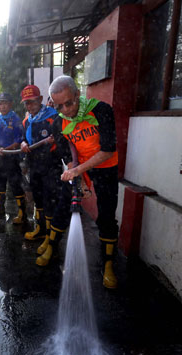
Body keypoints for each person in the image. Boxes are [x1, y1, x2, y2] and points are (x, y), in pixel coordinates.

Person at [49, 75, 120, 288]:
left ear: (78, 94)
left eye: (69, 103)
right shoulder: (58, 123)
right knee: (63, 204)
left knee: (107, 214)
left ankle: (108, 265)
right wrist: (79, 181)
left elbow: (108, 150)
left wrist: (79, 169)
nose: (66, 110)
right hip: (80, 170)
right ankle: (50, 245)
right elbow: (67, 156)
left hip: (106, 167)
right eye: (59, 106)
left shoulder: (101, 110)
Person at [19, 85, 61, 247]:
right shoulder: (26, 121)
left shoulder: (53, 118)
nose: (29, 106)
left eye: (32, 102)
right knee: (38, 200)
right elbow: (23, 138)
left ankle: (50, 239)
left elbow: (62, 142)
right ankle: (41, 229)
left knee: (50, 200)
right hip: (34, 166)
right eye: (26, 103)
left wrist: (54, 141)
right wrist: (23, 143)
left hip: (51, 167)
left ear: (40, 100)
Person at [0, 93, 26, 223]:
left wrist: (6, 149)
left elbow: (19, 141)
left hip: (12, 157)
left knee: (15, 184)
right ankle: (0, 207)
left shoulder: (15, 119)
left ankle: (22, 213)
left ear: (10, 104)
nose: (2, 106)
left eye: (5, 103)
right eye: (0, 103)